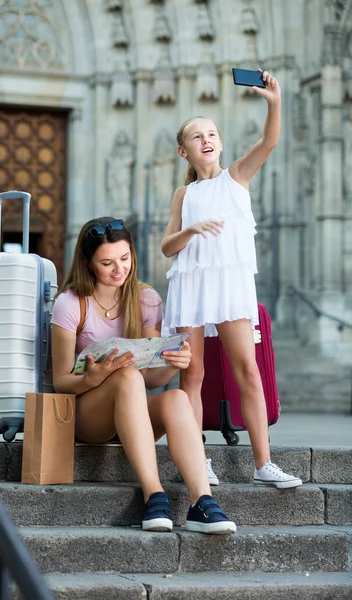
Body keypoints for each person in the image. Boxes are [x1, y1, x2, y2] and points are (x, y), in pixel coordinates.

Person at [161, 69, 302, 489]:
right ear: (184, 151)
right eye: (196, 136)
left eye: (212, 133)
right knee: (193, 375)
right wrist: (191, 230)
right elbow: (169, 247)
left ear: (220, 143)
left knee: (248, 370)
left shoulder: (236, 176)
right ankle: (197, 457)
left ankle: (264, 462)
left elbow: (270, 141)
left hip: (230, 283)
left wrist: (274, 101)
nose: (206, 139)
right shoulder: (184, 195)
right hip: (190, 283)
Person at [51, 217, 236, 534]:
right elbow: (60, 381)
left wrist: (171, 365)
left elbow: (152, 378)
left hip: (132, 413)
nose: (118, 269)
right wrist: (96, 376)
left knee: (176, 398)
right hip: (87, 417)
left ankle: (201, 502)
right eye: (107, 263)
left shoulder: (145, 299)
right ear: (88, 264)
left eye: (124, 259)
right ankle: (155, 495)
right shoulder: (70, 304)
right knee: (126, 377)